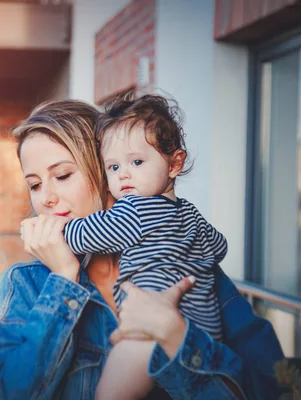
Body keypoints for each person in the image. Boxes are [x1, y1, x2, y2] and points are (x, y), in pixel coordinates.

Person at [0, 99, 286, 400]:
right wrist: (63, 279)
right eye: (34, 184)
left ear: (104, 171)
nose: (45, 197)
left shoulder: (190, 269)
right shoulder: (26, 285)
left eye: (62, 175)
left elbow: (270, 389)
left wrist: (175, 334)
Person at [29, 94, 226, 399]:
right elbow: (219, 247)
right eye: (113, 167)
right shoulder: (190, 214)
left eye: (136, 162)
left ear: (175, 164)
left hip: (148, 333)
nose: (123, 175)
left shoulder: (134, 209)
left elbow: (87, 235)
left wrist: (52, 232)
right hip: (204, 331)